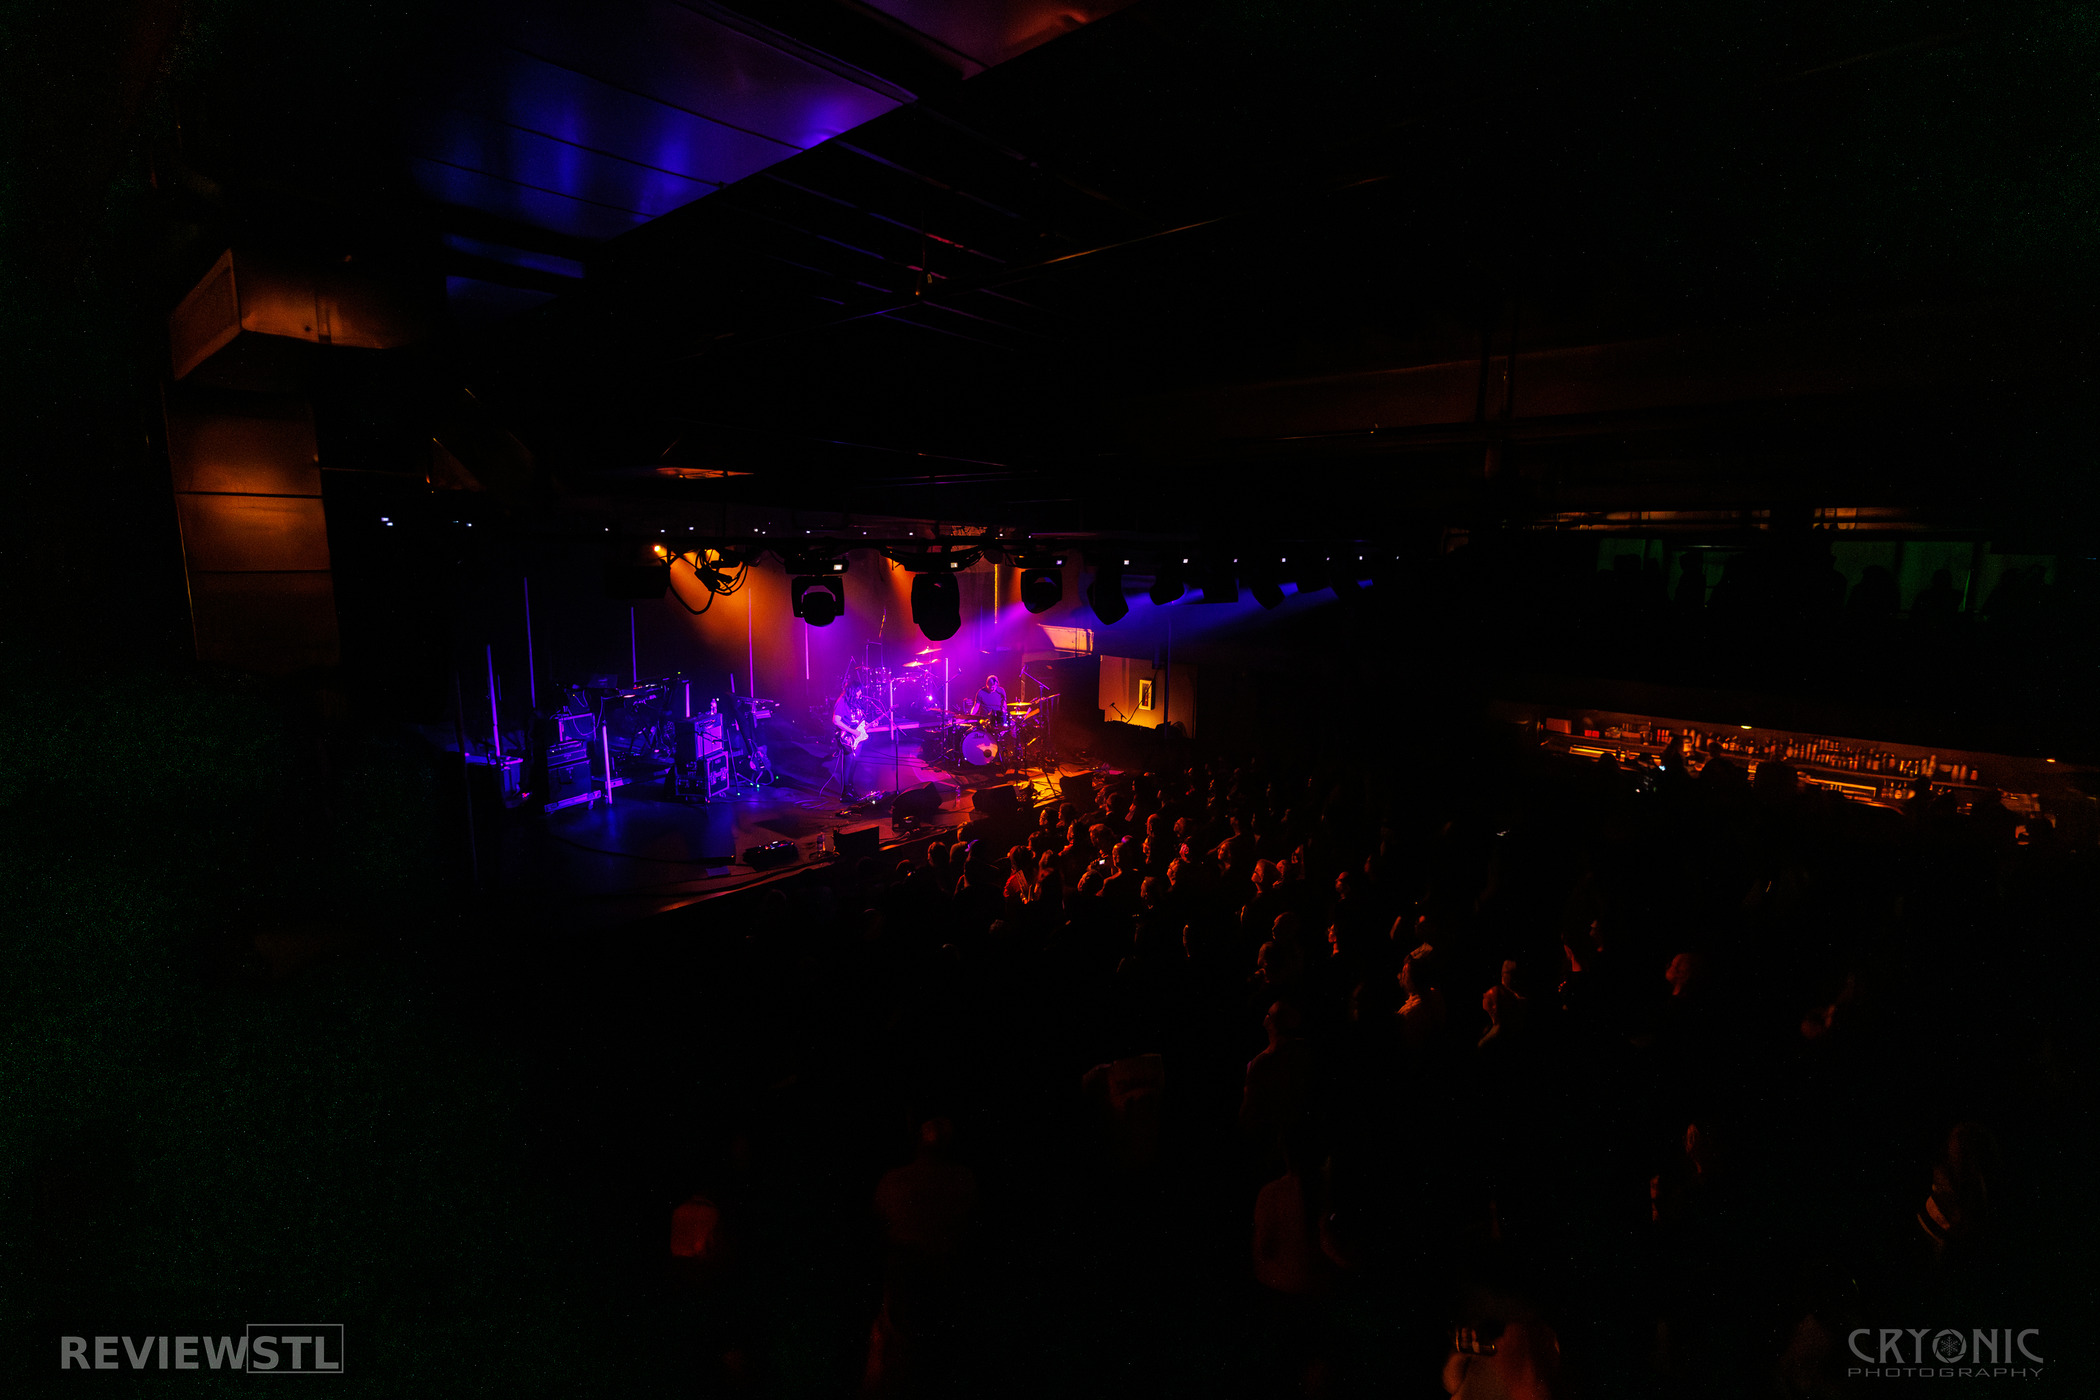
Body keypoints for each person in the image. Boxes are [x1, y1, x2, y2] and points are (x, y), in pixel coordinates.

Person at [831, 686, 870, 805]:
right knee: (848, 764)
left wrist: (867, 724)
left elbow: (857, 720)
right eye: (859, 690)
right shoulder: (842, 701)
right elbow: (836, 720)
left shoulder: (855, 702)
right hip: (846, 737)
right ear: (853, 690)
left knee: (854, 762)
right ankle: (845, 793)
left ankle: (850, 789)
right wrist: (853, 732)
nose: (861, 693)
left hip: (856, 736)